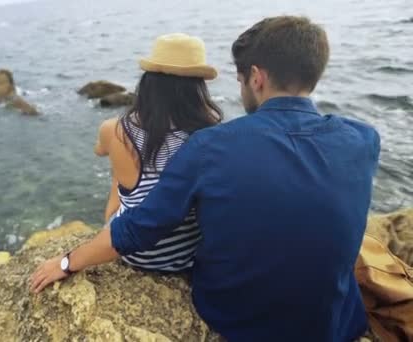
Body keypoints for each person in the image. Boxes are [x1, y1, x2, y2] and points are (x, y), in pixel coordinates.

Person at [31, 16, 380, 342]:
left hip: (237, 319)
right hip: (334, 323)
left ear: (256, 78)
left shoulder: (212, 146)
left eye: (241, 79)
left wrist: (66, 262)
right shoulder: (364, 139)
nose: (242, 86)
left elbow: (139, 228)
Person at [95, 33, 222, 272]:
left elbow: (99, 150)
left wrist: (114, 148)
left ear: (148, 83)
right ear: (198, 89)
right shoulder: (210, 132)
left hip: (134, 253)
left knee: (119, 171)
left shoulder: (115, 128)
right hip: (188, 254)